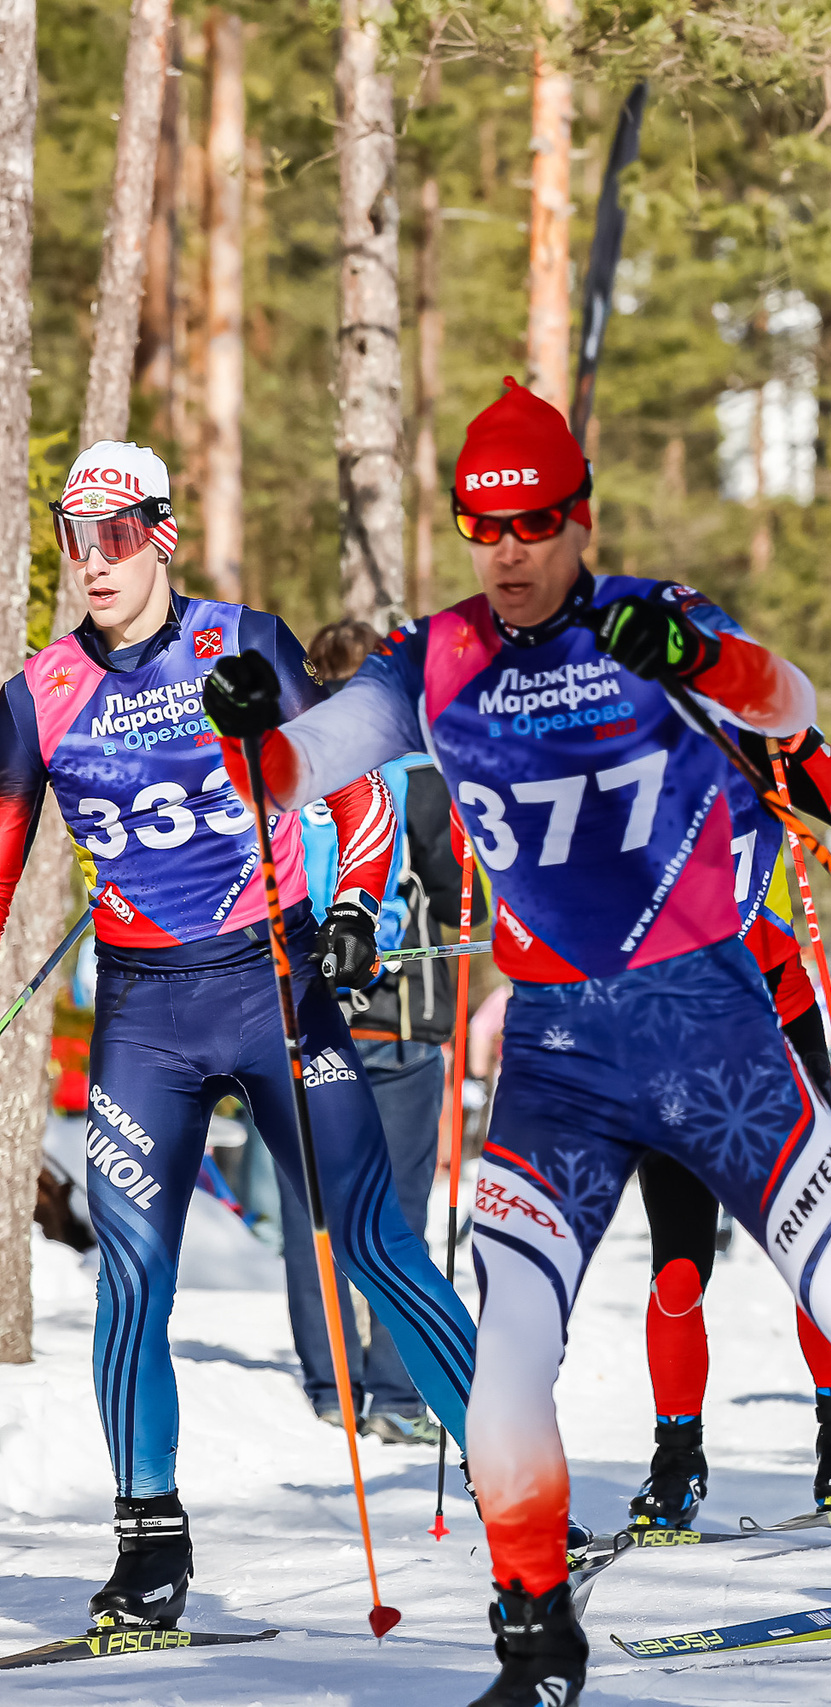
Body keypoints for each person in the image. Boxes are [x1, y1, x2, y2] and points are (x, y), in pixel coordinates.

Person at [209, 380, 831, 1706]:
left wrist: (703, 662)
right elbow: (291, 774)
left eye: (534, 526)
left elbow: (793, 711)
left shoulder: (659, 617)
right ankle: (536, 1642)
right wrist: (251, 724)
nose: (508, 555)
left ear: (580, 517)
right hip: (560, 1054)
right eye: (482, 529)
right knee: (512, 1339)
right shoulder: (437, 656)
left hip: (714, 1030)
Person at [0, 442, 477, 1632]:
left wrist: (358, 910)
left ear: (161, 535)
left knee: (372, 1242)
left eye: (115, 534)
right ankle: (149, 1543)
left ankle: (521, 1481)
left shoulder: (244, 640)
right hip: (145, 1015)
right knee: (130, 1277)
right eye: (73, 535)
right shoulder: (38, 692)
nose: (92, 560)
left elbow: (355, 789)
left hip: (277, 981)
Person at [628, 727, 831, 1533]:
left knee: (813, 1248)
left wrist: (801, 741)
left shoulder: (755, 752)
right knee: (678, 1269)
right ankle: (676, 1463)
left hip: (773, 1026)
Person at [270, 618, 467, 1444]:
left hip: (294, 1015)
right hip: (401, 1019)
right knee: (398, 1209)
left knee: (308, 1206)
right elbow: (462, 895)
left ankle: (331, 1384)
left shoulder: (285, 768)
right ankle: (395, 1387)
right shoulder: (420, 776)